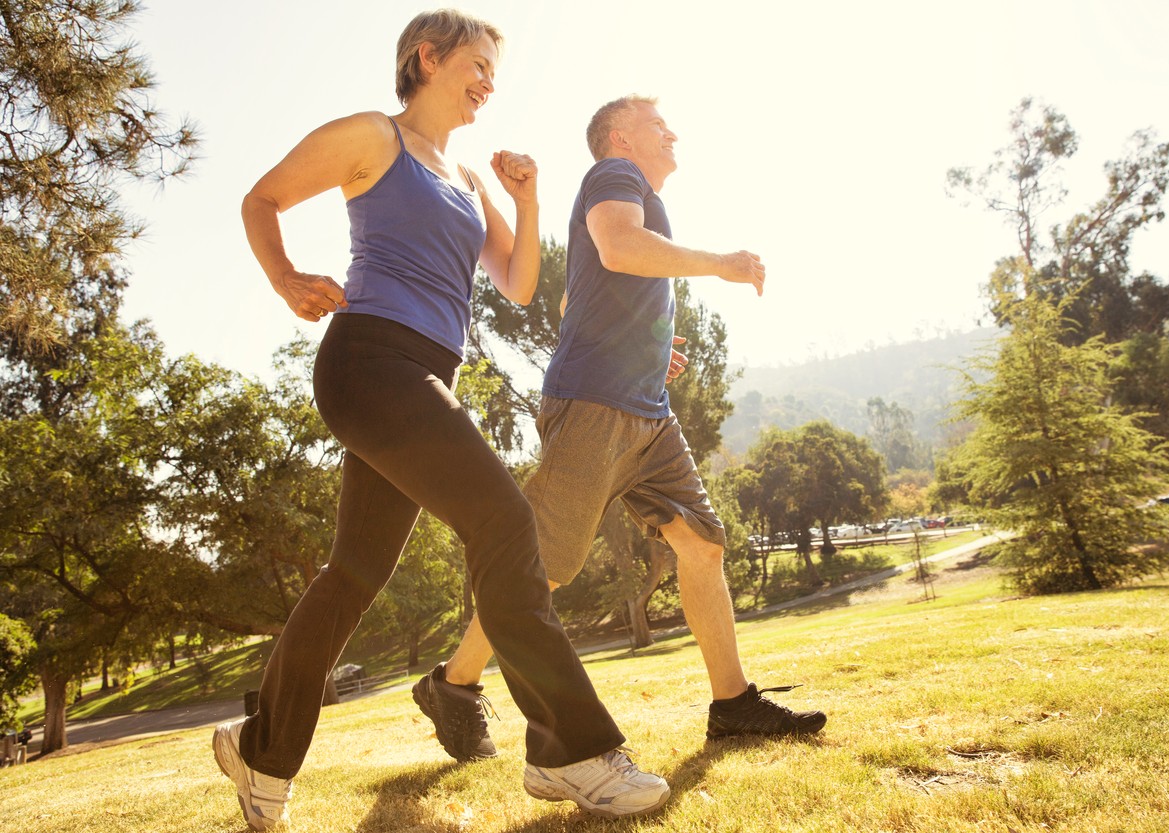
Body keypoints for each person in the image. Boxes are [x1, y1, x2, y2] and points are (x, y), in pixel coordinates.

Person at [213, 13, 669, 830]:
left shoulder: (464, 176)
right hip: (369, 362)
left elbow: (519, 284)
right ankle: (571, 749)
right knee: (504, 521)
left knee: (353, 574)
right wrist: (285, 278)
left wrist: (526, 200)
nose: (489, 82)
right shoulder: (373, 137)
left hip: (425, 374)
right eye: (478, 64)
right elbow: (262, 198)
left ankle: (261, 751)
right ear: (427, 57)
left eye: (495, 71)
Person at [414, 95, 826, 763]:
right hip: (595, 405)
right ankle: (453, 683)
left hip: (646, 410)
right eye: (657, 124)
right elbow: (618, 246)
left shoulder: (632, 194)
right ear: (620, 137)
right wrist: (722, 263)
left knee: (701, 543)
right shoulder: (614, 174)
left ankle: (733, 705)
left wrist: (647, 345)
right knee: (544, 567)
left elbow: (577, 295)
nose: (672, 132)